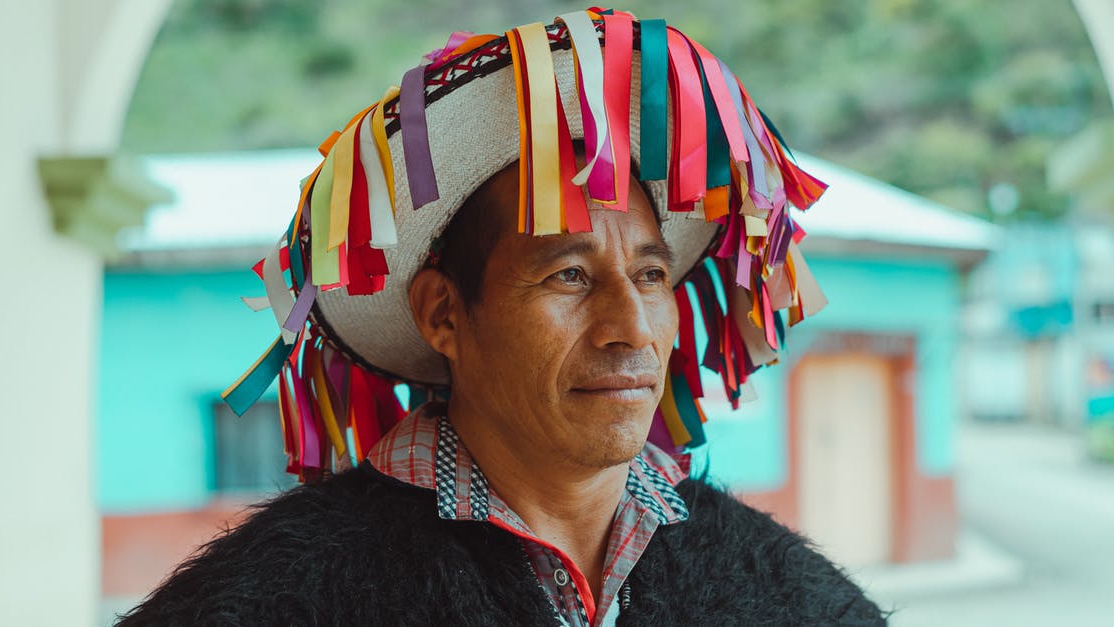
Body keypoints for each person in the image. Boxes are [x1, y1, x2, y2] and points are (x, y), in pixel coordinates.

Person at [119, 8, 886, 626]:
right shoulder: (272, 600)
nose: (631, 327)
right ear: (444, 314)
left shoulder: (798, 599)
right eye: (570, 274)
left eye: (651, 274)